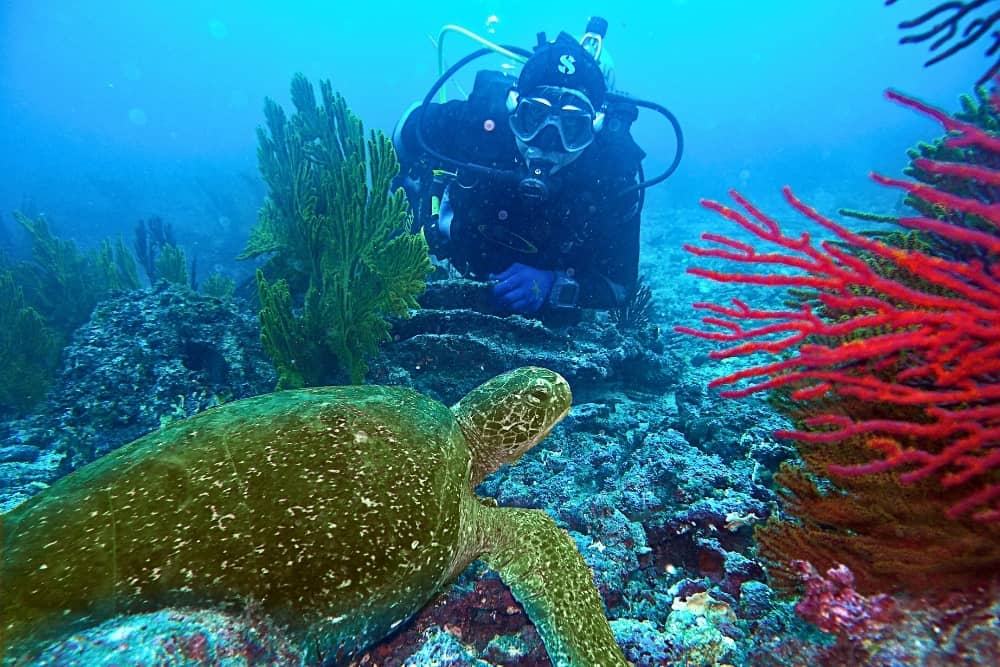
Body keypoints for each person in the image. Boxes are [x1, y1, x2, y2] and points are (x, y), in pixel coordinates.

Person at [393, 27, 647, 316]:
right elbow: (406, 131)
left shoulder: (613, 173)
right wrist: (397, 202)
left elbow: (618, 285)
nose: (549, 142)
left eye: (572, 126)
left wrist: (554, 284)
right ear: (513, 108)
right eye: (534, 117)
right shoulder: (481, 123)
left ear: (595, 127)